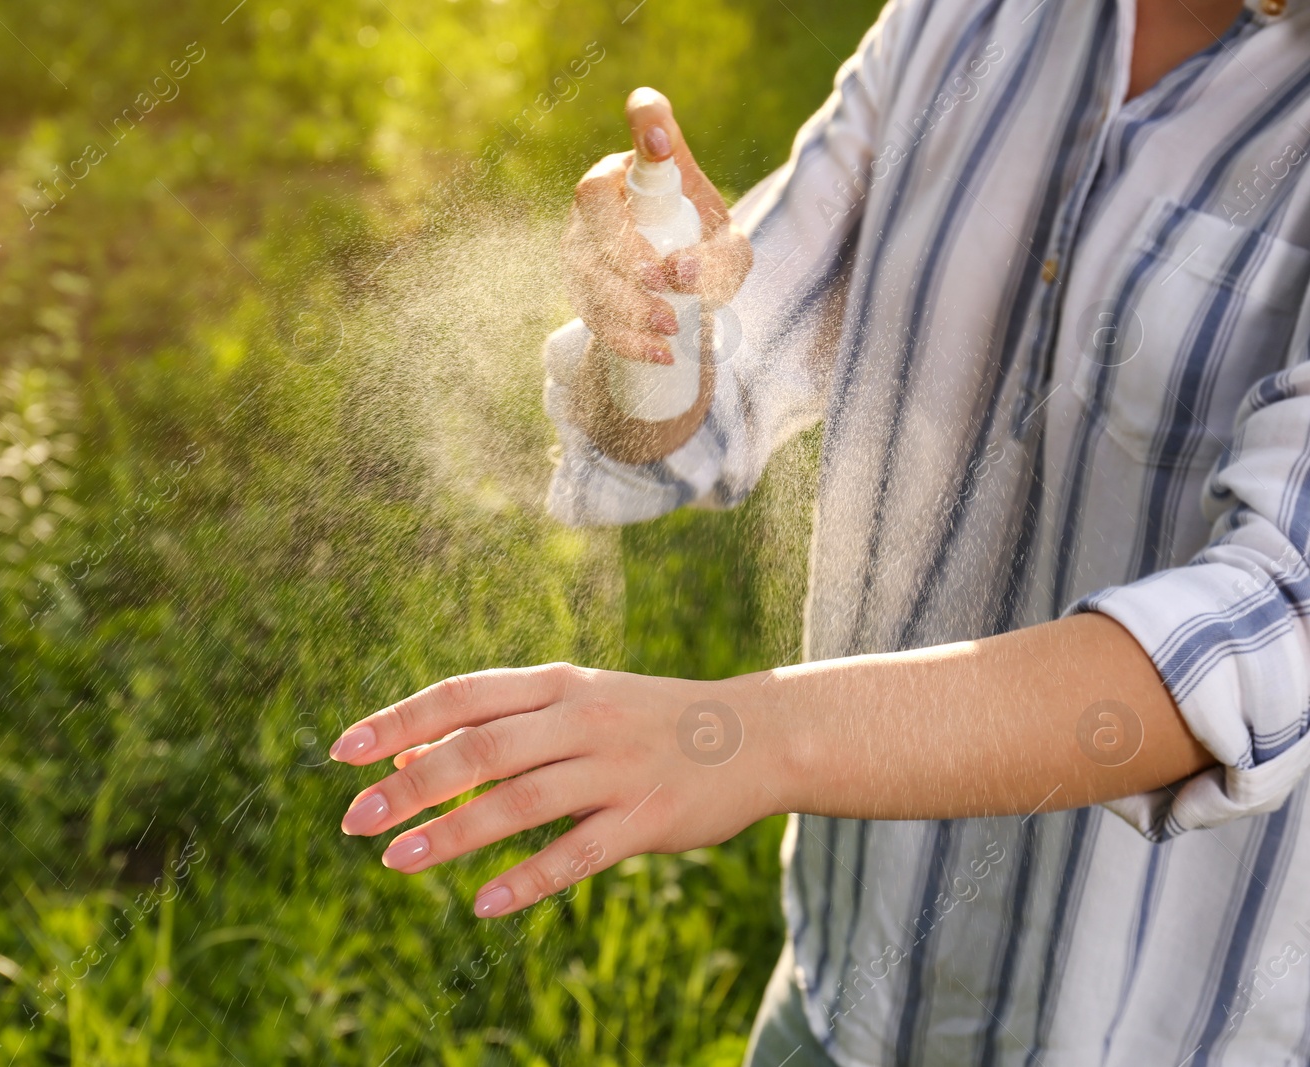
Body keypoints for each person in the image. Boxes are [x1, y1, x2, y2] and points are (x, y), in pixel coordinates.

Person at [330, 0, 1310, 1058]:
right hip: (848, 996)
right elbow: (727, 374)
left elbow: (1270, 621)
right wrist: (654, 329)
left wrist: (748, 737)